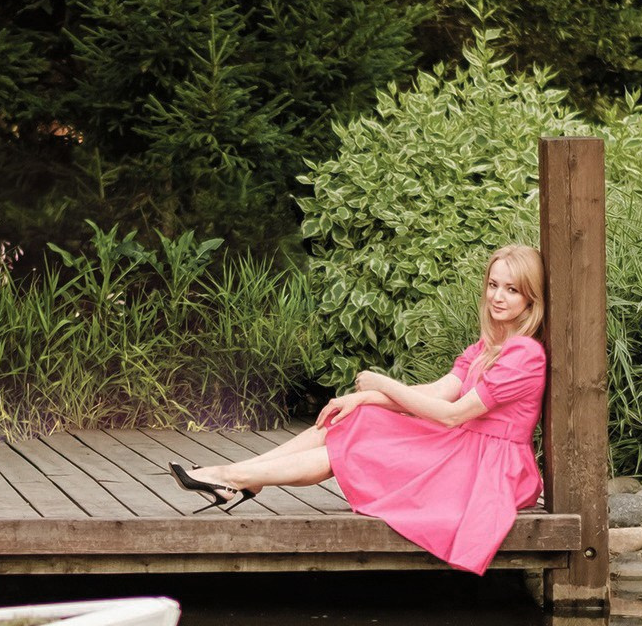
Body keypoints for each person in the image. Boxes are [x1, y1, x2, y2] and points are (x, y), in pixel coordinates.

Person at [170, 243, 547, 575]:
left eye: (512, 290)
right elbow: (438, 392)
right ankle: (235, 477)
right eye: (493, 285)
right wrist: (364, 398)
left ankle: (233, 478)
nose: (498, 296)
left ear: (531, 298)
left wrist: (381, 385)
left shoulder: (524, 355)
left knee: (354, 445)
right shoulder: (487, 347)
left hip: (490, 468)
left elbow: (452, 414)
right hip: (464, 449)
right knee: (353, 417)